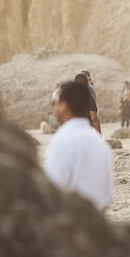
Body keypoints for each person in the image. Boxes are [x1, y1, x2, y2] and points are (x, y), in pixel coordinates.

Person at [43, 81, 114, 211]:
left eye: (54, 103)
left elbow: (52, 193)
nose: (53, 108)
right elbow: (106, 198)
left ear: (64, 106)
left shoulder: (61, 141)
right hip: (98, 222)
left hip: (71, 221)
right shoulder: (100, 143)